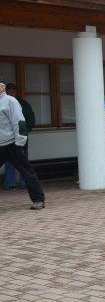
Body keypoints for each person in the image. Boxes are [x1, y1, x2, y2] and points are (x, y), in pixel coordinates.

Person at [0, 80, 45, 209]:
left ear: (2, 88)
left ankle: (39, 200)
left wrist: (20, 144)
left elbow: (19, 122)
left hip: (13, 144)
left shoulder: (10, 101)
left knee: (26, 172)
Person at [3, 83, 35, 190]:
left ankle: (23, 182)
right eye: (9, 91)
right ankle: (10, 183)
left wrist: (25, 131)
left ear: (16, 92)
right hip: (6, 139)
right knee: (8, 162)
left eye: (13, 91)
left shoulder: (23, 104)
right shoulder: (3, 102)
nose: (11, 93)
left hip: (21, 136)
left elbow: (30, 118)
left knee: (23, 161)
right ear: (6, 91)